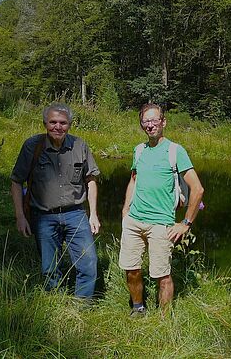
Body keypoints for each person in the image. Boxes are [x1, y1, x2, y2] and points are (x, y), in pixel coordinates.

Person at [119, 103, 204, 316]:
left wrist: (185, 224)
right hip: (134, 221)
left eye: (154, 120)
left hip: (161, 224)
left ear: (163, 122)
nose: (150, 125)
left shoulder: (175, 151)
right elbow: (134, 180)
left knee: (162, 275)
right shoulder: (139, 150)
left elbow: (198, 189)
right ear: (141, 125)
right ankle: (138, 308)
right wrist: (125, 210)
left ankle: (164, 319)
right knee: (131, 270)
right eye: (145, 121)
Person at [11, 102, 101, 299]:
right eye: (53, 122)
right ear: (45, 123)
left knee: (88, 263)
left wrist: (93, 214)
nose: (57, 127)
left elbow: (91, 180)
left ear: (69, 124)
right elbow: (17, 182)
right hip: (43, 217)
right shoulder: (32, 146)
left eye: (63, 123)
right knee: (49, 269)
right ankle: (57, 304)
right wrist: (20, 216)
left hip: (76, 214)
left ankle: (82, 308)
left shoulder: (80, 146)